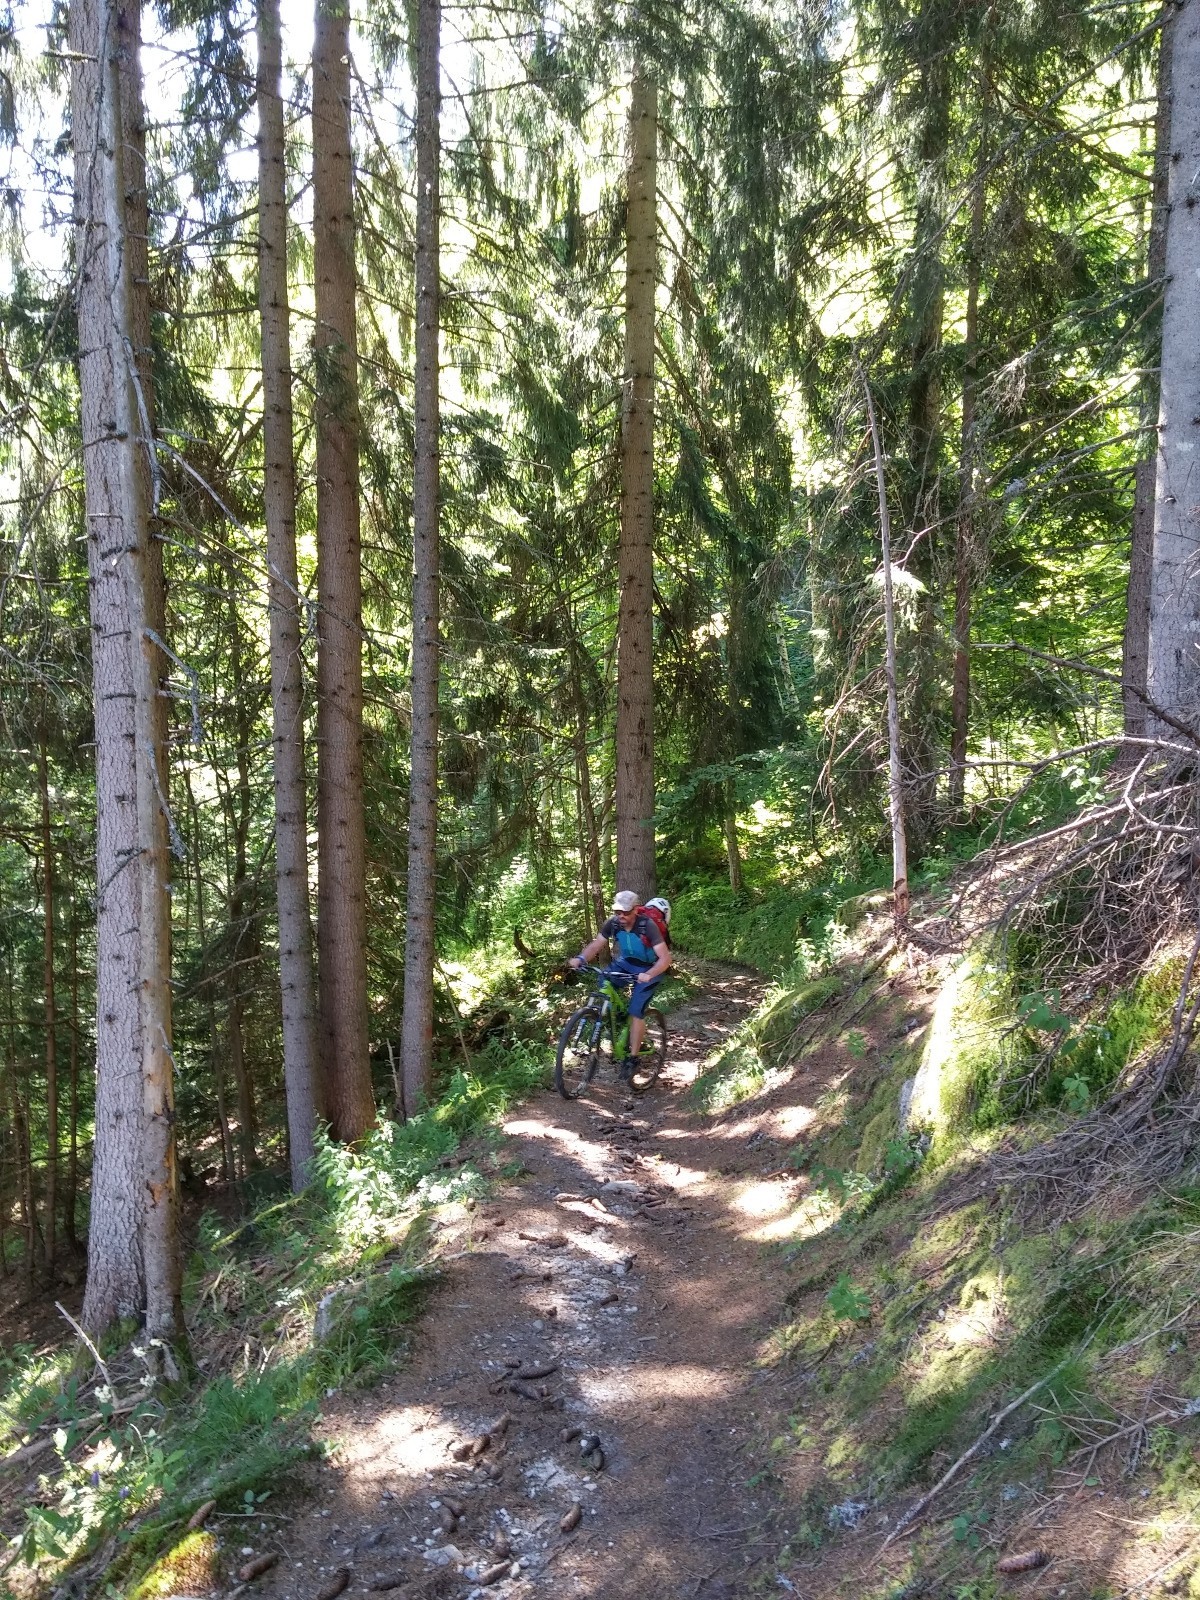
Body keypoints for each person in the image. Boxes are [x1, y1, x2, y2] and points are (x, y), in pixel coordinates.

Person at [569, 890, 672, 1066]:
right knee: (604, 980)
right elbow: (597, 944)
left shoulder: (647, 926)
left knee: (636, 1011)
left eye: (626, 912)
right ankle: (618, 1018)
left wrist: (649, 974)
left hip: (650, 968)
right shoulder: (614, 923)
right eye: (618, 912)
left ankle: (633, 1058)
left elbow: (665, 959)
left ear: (636, 910)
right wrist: (581, 958)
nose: (621, 916)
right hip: (626, 963)